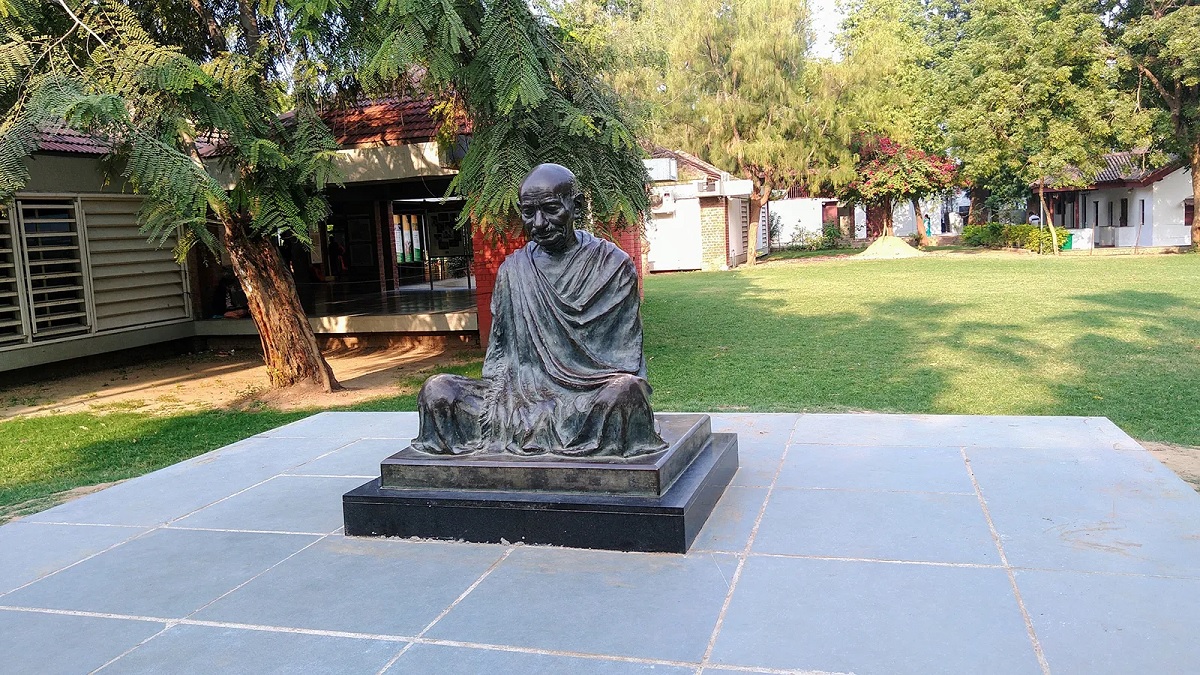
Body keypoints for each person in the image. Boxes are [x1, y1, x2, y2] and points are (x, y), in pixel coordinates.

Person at [412, 163, 667, 458]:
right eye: (528, 212)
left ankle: (549, 425)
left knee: (625, 393)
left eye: (551, 209)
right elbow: (499, 355)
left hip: (587, 393)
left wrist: (561, 395)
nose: (539, 223)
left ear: (577, 206)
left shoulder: (612, 265)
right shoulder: (513, 270)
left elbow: (623, 358)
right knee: (437, 391)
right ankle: (536, 425)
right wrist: (509, 399)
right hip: (518, 392)